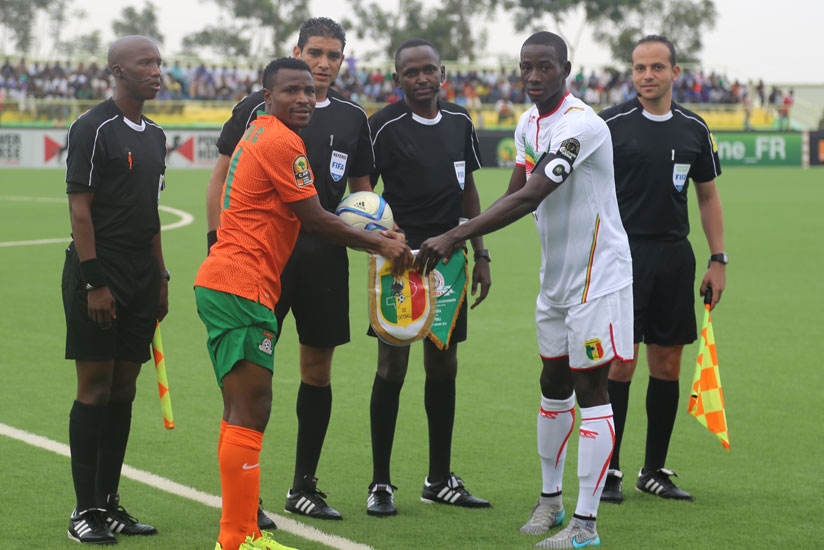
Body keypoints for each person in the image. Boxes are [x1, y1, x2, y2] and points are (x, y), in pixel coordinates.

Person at [416, 31, 632, 549]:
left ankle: (585, 526)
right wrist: (475, 243)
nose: (533, 78)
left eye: (545, 68)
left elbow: (535, 193)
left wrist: (454, 235)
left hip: (597, 278)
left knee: (591, 390)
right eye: (526, 68)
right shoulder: (528, 122)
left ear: (566, 69)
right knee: (552, 384)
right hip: (555, 279)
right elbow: (513, 191)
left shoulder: (584, 126)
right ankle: (551, 502)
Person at [195, 57, 411, 550]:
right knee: (253, 406)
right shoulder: (279, 140)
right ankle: (239, 537)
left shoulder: (262, 132)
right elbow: (314, 218)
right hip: (240, 284)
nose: (304, 99)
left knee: (241, 408)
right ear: (266, 97)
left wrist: (375, 235)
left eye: (310, 92)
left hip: (232, 283)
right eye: (292, 90)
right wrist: (382, 244)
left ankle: (240, 532)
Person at [206, 17, 374, 525]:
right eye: (314, 53)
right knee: (248, 385)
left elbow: (364, 196)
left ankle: (304, 485)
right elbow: (221, 177)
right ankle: (245, 500)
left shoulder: (352, 117)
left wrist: (376, 240)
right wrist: (217, 242)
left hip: (325, 259)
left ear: (342, 60)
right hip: (260, 264)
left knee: (316, 372)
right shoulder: (259, 112)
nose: (323, 65)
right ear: (297, 52)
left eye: (333, 56)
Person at [364, 38, 492, 517]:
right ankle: (380, 483)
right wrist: (384, 242)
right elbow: (363, 196)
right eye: (411, 72)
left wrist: (481, 253)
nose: (422, 78)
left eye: (429, 70)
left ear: (443, 73)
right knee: (391, 370)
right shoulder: (383, 126)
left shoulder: (460, 121)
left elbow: (469, 189)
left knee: (443, 367)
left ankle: (439, 479)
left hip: (449, 267)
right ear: (397, 79)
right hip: (398, 265)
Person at [598, 35, 726, 504]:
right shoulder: (609, 124)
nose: (647, 75)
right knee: (621, 361)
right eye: (638, 68)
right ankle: (608, 469)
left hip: (674, 257)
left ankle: (653, 469)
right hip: (620, 257)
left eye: (656, 67)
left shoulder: (694, 128)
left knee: (668, 363)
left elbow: (708, 197)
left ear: (676, 72)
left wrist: (718, 259)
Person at [62, 35, 168, 545]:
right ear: (117, 72)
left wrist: (161, 277)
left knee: (124, 390)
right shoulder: (91, 127)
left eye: (158, 61)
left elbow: (152, 216)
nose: (156, 69)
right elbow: (80, 210)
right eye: (145, 62)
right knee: (95, 390)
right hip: (98, 275)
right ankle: (83, 511)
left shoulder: (156, 134)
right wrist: (95, 282)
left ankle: (109, 503)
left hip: (143, 276)